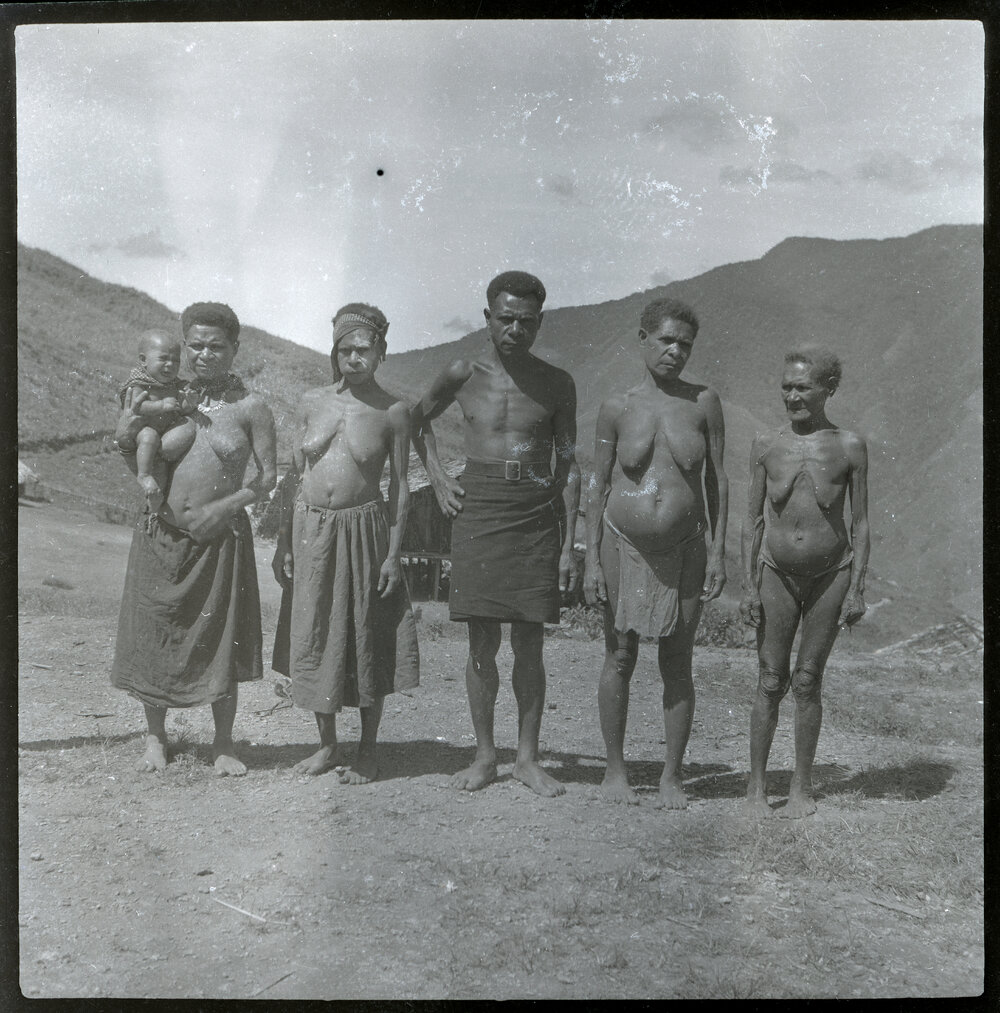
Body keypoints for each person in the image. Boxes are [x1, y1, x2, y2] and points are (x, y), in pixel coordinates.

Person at [411, 271, 580, 797]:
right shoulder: (463, 372)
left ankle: (527, 759)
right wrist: (438, 477)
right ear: (488, 318)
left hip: (534, 509)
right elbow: (415, 419)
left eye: (526, 321)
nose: (515, 329)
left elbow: (568, 464)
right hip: (479, 504)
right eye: (505, 318)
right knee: (481, 640)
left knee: (530, 641)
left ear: (539, 322)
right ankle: (485, 756)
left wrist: (565, 542)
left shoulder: (557, 383)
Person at [111, 302, 277, 776]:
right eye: (196, 346)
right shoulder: (168, 397)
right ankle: (155, 739)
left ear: (235, 348)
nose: (205, 355)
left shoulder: (250, 408)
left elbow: (268, 478)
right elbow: (134, 451)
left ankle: (223, 743)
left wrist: (223, 510)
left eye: (216, 347)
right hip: (160, 534)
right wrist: (127, 439)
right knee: (156, 632)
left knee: (221, 640)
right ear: (184, 346)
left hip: (219, 539)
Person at [583, 297, 728, 809]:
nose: (675, 351)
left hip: (685, 548)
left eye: (685, 344)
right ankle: (615, 770)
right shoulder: (616, 407)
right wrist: (590, 558)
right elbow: (598, 482)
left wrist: (718, 552)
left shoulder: (703, 403)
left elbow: (717, 480)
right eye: (666, 340)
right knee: (619, 655)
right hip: (622, 544)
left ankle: (672, 776)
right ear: (642, 339)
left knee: (677, 660)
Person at [271, 303, 419, 783]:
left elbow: (401, 486)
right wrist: (283, 542)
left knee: (366, 634)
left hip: (364, 533)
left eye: (364, 350)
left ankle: (368, 749)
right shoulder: (311, 401)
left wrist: (393, 554)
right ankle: (328, 746)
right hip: (311, 530)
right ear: (334, 353)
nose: (354, 358)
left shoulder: (393, 412)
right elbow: (295, 474)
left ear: (381, 352)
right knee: (316, 632)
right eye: (345, 350)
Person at [739, 347, 869, 818]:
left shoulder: (850, 446)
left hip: (830, 577)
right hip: (776, 573)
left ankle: (801, 787)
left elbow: (861, 522)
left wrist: (857, 587)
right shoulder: (766, 444)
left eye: (802, 388)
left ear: (828, 389)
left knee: (808, 680)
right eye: (786, 387)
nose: (792, 397)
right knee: (770, 678)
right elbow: (752, 519)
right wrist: (748, 585)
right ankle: (756, 788)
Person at [115, 328, 198, 510]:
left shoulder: (175, 385)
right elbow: (137, 406)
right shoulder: (139, 383)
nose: (170, 365)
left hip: (165, 438)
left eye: (175, 361)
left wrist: (189, 403)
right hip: (143, 430)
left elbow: (180, 408)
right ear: (143, 360)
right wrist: (160, 406)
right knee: (149, 437)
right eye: (163, 359)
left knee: (160, 475)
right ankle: (143, 475)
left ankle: (154, 501)